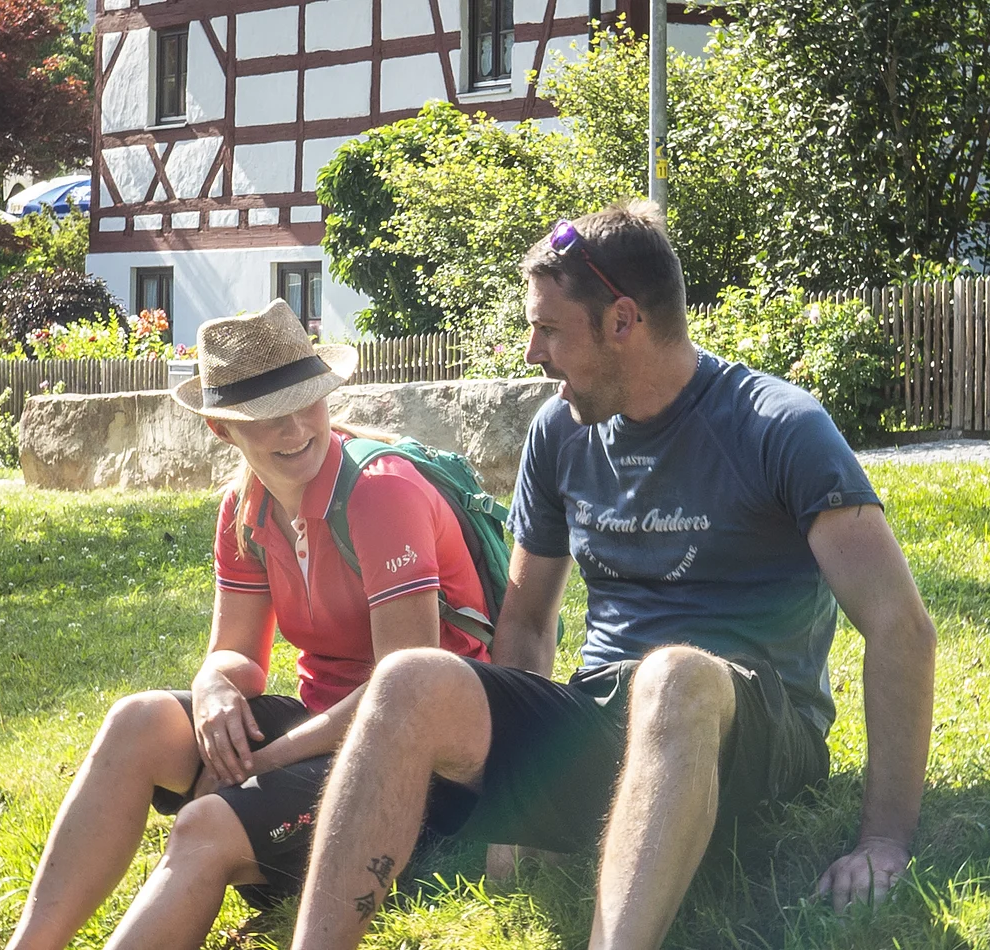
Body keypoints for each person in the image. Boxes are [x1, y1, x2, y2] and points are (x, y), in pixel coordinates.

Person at [284, 202, 940, 950]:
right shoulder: (560, 433)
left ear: (623, 321)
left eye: (549, 329)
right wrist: (516, 797)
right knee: (406, 679)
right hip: (607, 716)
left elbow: (900, 627)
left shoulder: (777, 426)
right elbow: (527, 620)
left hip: (755, 730)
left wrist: (883, 839)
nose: (532, 351)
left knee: (672, 675)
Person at [4, 300, 495, 950]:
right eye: (267, 413)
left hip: (420, 773)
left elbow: (404, 697)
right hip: (326, 736)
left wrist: (259, 763)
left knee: (203, 826)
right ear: (222, 427)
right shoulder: (245, 506)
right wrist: (212, 685)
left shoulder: (381, 492)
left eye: (307, 401)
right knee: (136, 721)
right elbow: (238, 657)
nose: (295, 428)